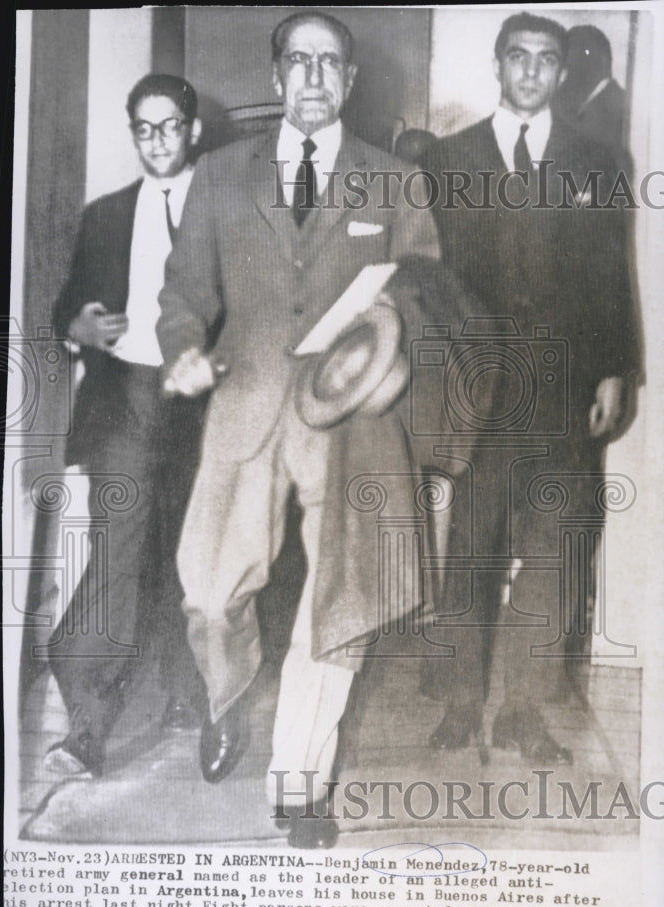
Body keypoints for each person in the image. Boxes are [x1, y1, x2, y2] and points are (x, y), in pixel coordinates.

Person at [156, 11, 439, 847]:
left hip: (350, 419)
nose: (313, 76)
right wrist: (182, 348)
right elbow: (183, 294)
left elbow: (426, 288)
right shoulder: (217, 175)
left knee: (337, 606)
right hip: (244, 405)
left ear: (348, 80)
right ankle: (226, 696)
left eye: (329, 62)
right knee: (209, 597)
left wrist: (395, 321)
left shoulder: (395, 181)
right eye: (297, 60)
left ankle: (300, 782)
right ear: (275, 75)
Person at [419, 12, 640, 762]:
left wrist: (614, 369)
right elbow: (429, 278)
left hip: (563, 387)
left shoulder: (597, 160)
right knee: (470, 547)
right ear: (498, 65)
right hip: (478, 387)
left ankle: (522, 708)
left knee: (554, 549)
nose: (532, 71)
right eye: (519, 57)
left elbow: (611, 273)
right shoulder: (449, 160)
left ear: (561, 72)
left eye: (547, 59)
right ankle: (458, 701)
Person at [44, 74, 207, 778]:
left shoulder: (228, 207)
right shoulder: (106, 215)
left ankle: (186, 690)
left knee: (189, 556)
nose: (157, 141)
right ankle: (87, 724)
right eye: (144, 128)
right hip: (125, 400)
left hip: (202, 403)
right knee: (118, 549)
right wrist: (76, 326)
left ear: (193, 130)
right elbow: (67, 306)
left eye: (169, 126)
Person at [552, 25, 630, 172]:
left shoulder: (621, 107)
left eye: (571, 58)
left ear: (602, 59)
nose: (565, 69)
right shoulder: (582, 105)